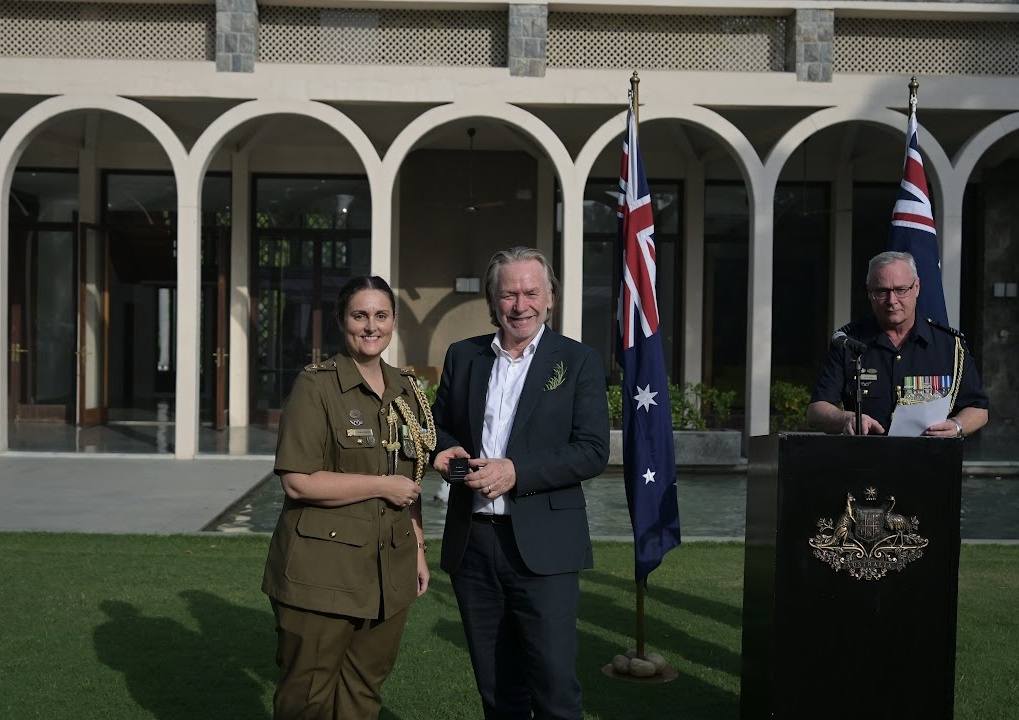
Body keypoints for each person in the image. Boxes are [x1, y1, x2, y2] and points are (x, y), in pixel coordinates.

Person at [431, 247, 610, 720]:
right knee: (496, 689)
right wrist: (442, 450)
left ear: (550, 297)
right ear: (493, 300)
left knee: (554, 687)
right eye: (508, 293)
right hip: (474, 545)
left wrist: (516, 471)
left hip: (544, 549)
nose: (520, 304)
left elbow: (593, 450)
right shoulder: (463, 355)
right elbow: (440, 427)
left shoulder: (578, 361)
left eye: (531, 292)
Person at [262, 275, 435, 720]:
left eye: (381, 315)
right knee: (308, 698)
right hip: (322, 574)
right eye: (360, 315)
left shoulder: (408, 390)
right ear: (343, 321)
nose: (371, 326)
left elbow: (411, 479)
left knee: (363, 693)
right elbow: (298, 481)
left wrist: (417, 547)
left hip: (388, 572)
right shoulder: (316, 386)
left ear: (394, 321)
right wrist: (381, 485)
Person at [807, 250, 988, 437]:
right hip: (865, 460)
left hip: (929, 460)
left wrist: (957, 425)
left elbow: (978, 408)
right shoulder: (848, 342)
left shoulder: (949, 346)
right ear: (869, 292)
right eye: (882, 291)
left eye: (901, 290)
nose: (892, 301)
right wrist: (846, 419)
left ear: (916, 287)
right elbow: (816, 410)